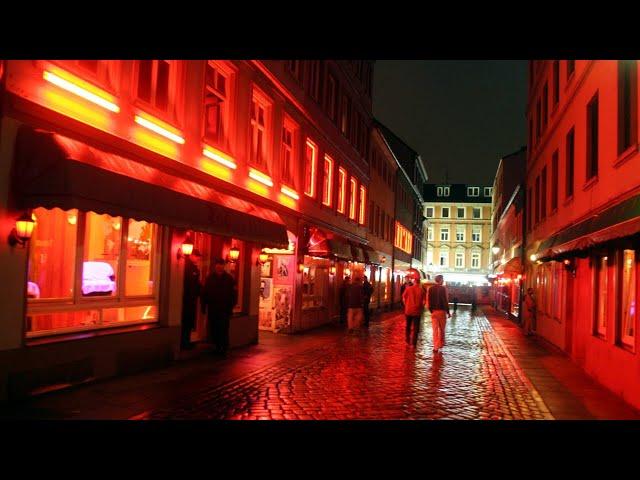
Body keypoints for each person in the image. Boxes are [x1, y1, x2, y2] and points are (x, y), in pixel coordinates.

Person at [201, 258, 237, 356]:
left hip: (224, 310)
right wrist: (204, 306)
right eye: (217, 264)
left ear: (224, 266)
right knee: (214, 328)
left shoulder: (229, 279)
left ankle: (223, 348)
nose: (219, 266)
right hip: (213, 309)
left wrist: (230, 307)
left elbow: (233, 295)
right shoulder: (210, 278)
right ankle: (216, 347)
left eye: (221, 264)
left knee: (223, 329)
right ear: (215, 266)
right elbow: (205, 293)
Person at [181, 249, 202, 350]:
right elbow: (190, 284)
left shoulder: (194, 268)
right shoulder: (187, 267)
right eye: (196, 256)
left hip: (191, 299)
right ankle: (184, 342)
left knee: (189, 321)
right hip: (187, 299)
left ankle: (186, 340)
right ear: (191, 255)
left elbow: (196, 284)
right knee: (186, 320)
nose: (198, 258)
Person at [428, 274, 451, 354]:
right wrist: (448, 312)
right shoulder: (443, 289)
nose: (443, 280)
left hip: (434, 311)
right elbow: (445, 300)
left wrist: (431, 310)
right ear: (440, 280)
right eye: (443, 279)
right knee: (442, 329)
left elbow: (429, 301)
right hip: (441, 311)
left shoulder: (430, 289)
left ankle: (435, 347)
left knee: (435, 330)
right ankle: (441, 344)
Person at [402, 276, 426, 346]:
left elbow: (403, 298)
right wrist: (421, 306)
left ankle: (407, 340)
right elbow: (424, 301)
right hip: (417, 311)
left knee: (408, 325)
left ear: (414, 282)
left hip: (408, 310)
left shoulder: (408, 289)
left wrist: (406, 305)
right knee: (416, 328)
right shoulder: (421, 290)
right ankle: (414, 343)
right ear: (419, 282)